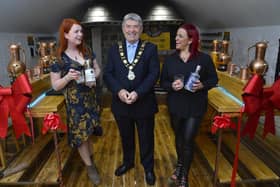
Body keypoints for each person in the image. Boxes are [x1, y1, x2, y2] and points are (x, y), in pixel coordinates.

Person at [103, 13, 160, 185]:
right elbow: (108, 74)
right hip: (121, 104)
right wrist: (119, 91)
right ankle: (128, 162)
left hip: (144, 103)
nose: (132, 30)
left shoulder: (150, 48)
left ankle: (148, 167)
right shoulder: (114, 49)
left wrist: (138, 93)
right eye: (128, 26)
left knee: (146, 138)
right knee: (126, 136)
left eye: (135, 27)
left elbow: (153, 74)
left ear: (141, 29)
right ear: (123, 29)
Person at [160, 23, 218, 187]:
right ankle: (180, 165)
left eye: (180, 36)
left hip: (195, 105)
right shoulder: (170, 59)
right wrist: (171, 86)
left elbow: (213, 80)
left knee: (187, 140)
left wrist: (202, 85)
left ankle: (184, 175)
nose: (176, 39)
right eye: (176, 36)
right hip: (176, 105)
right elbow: (163, 81)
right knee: (178, 138)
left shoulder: (204, 59)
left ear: (191, 40)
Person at [50, 18, 101, 185]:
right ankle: (89, 166)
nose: (80, 34)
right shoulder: (58, 58)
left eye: (81, 31)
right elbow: (56, 86)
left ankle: (90, 158)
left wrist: (93, 78)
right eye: (76, 32)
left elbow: (97, 69)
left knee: (90, 132)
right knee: (81, 137)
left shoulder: (86, 50)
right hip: (75, 105)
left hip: (91, 100)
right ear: (66, 34)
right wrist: (67, 77)